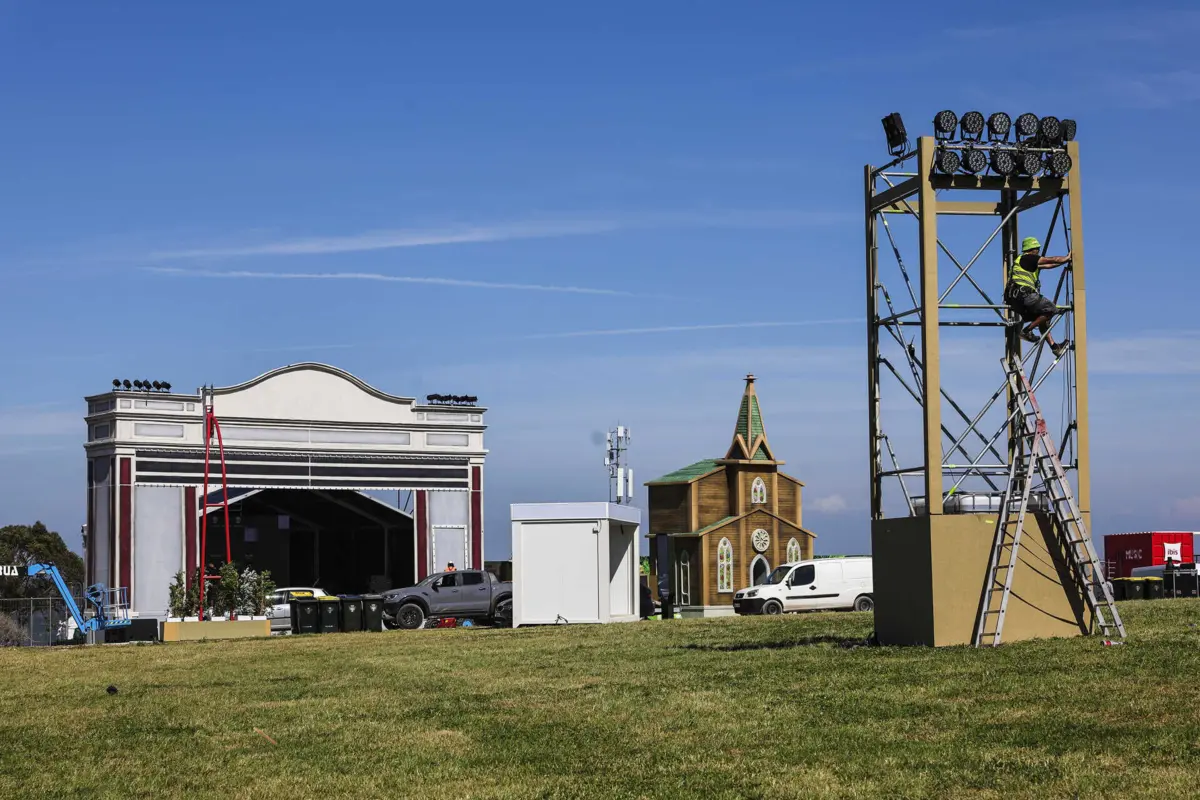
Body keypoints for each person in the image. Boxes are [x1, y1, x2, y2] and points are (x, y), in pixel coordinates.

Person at [1005, 236, 1071, 358]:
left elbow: (1049, 265)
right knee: (1050, 308)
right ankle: (1026, 331)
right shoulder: (1028, 258)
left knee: (1042, 320)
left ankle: (1054, 347)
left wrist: (1064, 262)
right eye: (1037, 249)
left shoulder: (1022, 261)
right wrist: (1067, 258)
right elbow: (1052, 259)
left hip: (1016, 300)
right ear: (1032, 249)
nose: (1038, 251)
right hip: (1025, 295)